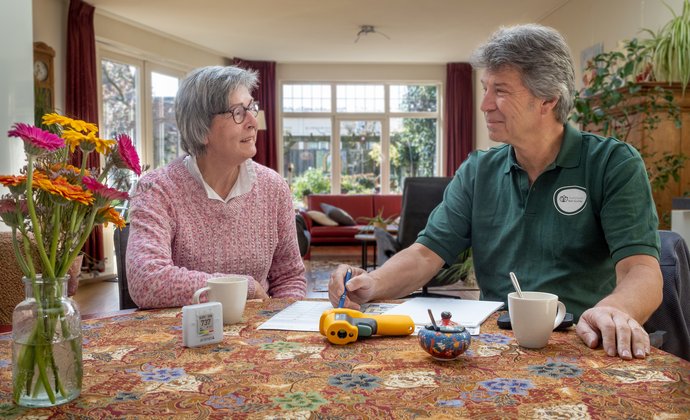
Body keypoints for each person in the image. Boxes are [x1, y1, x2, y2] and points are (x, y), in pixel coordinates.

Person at [329, 24, 662, 361]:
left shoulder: (612, 164)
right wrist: (372, 283)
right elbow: (424, 255)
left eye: (500, 91)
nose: (485, 104)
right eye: (485, 88)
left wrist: (614, 309)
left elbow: (642, 271)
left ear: (548, 99)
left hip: (584, 340)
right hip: (496, 345)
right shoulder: (478, 171)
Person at [127, 65, 306, 308]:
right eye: (238, 112)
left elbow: (289, 277)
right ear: (201, 129)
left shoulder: (273, 187)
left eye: (252, 108)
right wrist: (243, 286)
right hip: (181, 336)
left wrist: (285, 324)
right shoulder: (157, 189)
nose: (253, 122)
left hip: (258, 337)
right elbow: (147, 281)